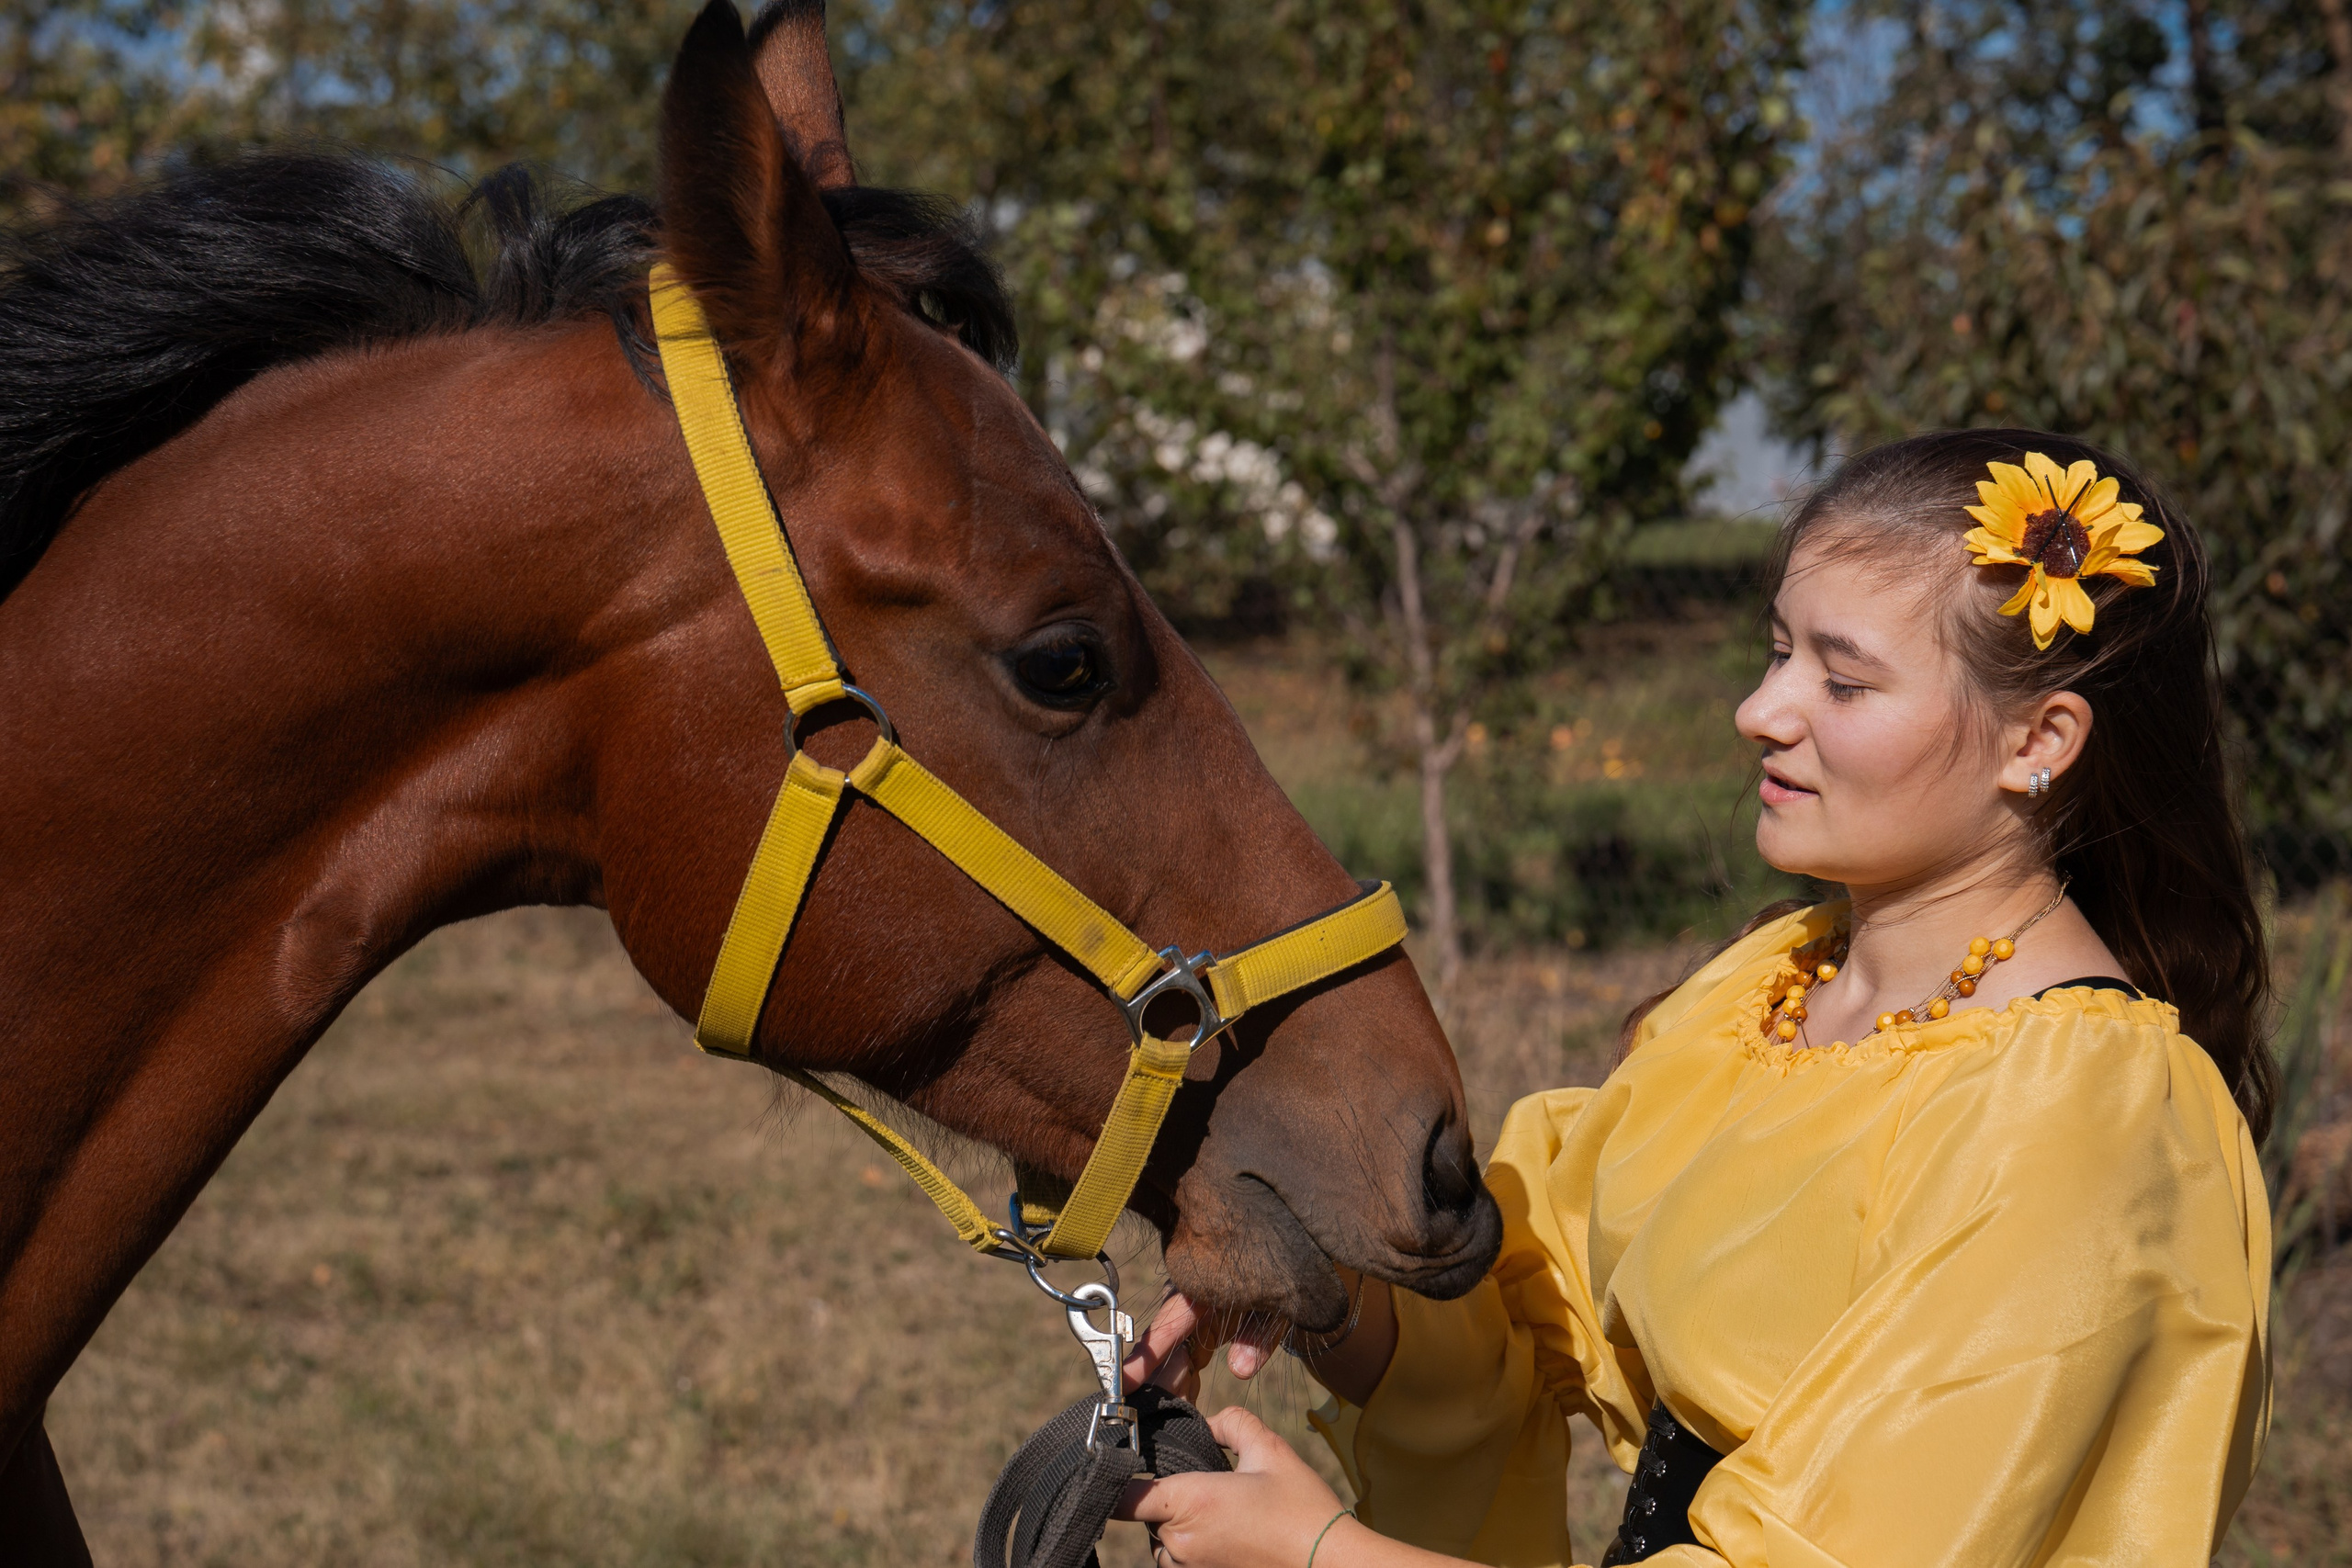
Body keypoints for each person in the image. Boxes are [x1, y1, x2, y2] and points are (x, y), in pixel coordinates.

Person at [1118, 430, 2276, 1568]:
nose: (1761, 711)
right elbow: (1531, 1313)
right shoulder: (1773, 988)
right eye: (1777, 653)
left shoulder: (2082, 1122)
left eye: (1843, 678)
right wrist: (1326, 1288)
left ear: (2039, 739)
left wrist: (1321, 1557)